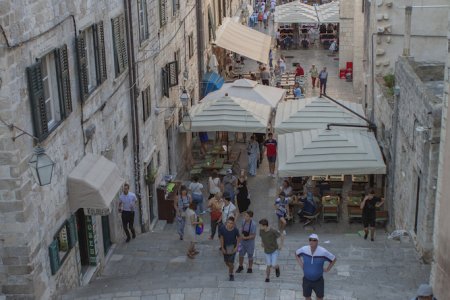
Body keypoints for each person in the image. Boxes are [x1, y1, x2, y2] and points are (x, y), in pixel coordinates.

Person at [295, 234, 337, 300]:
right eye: (310, 240)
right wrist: (301, 264)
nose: (311, 241)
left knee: (320, 298)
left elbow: (333, 259)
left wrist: (327, 269)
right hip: (306, 280)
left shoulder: (323, 252)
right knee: (307, 297)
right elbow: (296, 254)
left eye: (314, 240)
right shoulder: (304, 249)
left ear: (317, 242)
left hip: (318, 281)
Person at [259, 218, 284, 282]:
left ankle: (277, 267)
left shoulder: (273, 231)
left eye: (261, 225)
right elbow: (262, 236)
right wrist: (262, 243)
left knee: (273, 265)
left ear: (265, 226)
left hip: (274, 250)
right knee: (268, 265)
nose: (260, 227)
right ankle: (267, 278)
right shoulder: (261, 231)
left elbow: (281, 235)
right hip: (267, 251)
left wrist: (281, 245)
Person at [219, 216, 241, 281]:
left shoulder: (235, 230)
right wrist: (222, 247)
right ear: (226, 223)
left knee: (231, 263)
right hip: (225, 247)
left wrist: (237, 247)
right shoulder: (222, 228)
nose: (229, 224)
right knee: (226, 262)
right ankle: (231, 267)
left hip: (232, 247)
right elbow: (221, 238)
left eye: (231, 223)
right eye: (228, 222)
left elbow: (239, 238)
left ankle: (231, 274)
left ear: (233, 224)